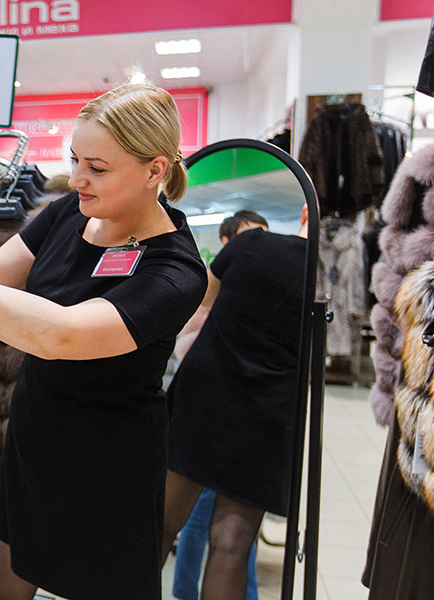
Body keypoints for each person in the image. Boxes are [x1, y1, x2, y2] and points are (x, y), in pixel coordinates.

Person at [0, 82, 209, 600]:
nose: (77, 178)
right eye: (75, 160)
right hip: (34, 437)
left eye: (97, 168)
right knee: (2, 585)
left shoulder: (175, 272)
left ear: (154, 170)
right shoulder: (73, 212)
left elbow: (58, 334)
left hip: (107, 464)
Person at [163, 205, 310, 600]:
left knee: (160, 524)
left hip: (206, 392)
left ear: (302, 212)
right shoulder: (320, 272)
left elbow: (203, 299)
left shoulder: (249, 244)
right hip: (270, 409)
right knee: (232, 544)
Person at [170, 210, 270, 600]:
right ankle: (185, 591)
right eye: (249, 239)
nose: (258, 250)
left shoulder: (261, 297)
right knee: (196, 519)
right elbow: (183, 350)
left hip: (247, 422)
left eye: (264, 238)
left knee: (239, 529)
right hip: (206, 418)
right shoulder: (207, 295)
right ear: (227, 245)